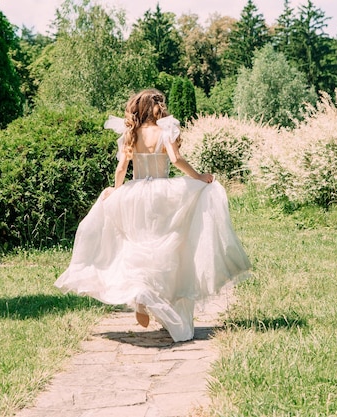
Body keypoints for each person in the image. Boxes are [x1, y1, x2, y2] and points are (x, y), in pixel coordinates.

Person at [54, 88, 251, 342]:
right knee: (167, 247)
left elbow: (122, 166)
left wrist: (115, 191)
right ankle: (159, 299)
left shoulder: (131, 133)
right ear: (158, 107)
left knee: (138, 244)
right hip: (163, 194)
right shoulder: (165, 129)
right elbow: (176, 159)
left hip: (134, 194)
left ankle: (141, 294)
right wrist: (200, 178)